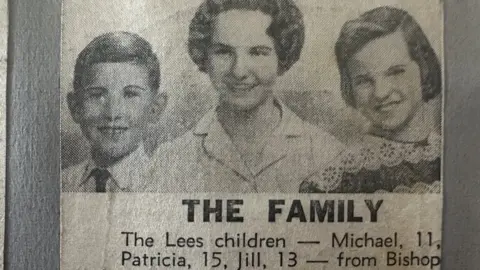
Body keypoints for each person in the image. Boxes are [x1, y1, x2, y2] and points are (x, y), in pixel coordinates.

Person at [151, 0, 345, 192]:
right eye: (224, 52)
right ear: (204, 56)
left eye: (258, 53)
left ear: (282, 58)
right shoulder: (169, 159)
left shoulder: (328, 154)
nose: (239, 71)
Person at [301, 6, 442, 193]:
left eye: (395, 72)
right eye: (364, 81)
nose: (381, 93)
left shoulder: (455, 154)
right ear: (349, 87)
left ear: (423, 68)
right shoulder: (330, 183)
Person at [62, 32, 167, 192]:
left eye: (130, 94)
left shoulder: (168, 186)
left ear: (155, 108)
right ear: (75, 107)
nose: (112, 113)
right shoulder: (62, 184)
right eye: (97, 95)